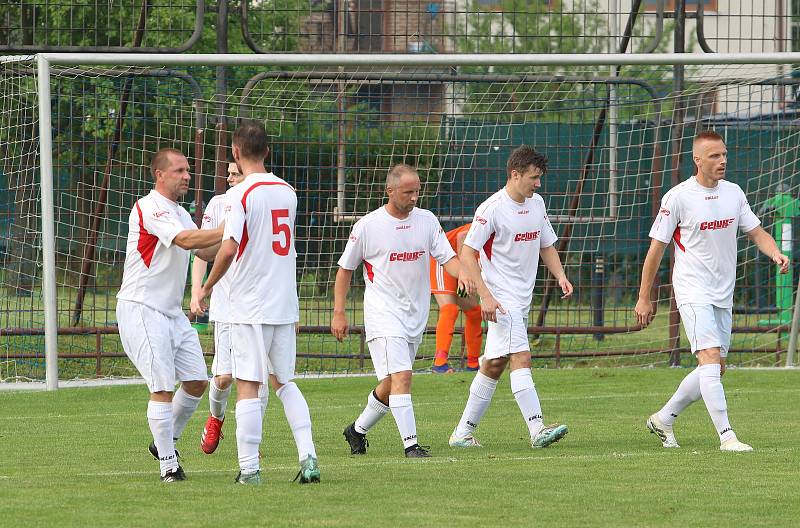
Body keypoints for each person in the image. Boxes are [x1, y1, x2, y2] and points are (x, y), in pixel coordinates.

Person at [635, 130, 790, 452]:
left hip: (723, 291)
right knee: (708, 359)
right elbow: (656, 250)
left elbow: (756, 231)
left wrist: (774, 252)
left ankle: (664, 418)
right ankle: (727, 436)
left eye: (724, 154)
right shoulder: (677, 197)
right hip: (692, 289)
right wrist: (643, 296)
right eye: (714, 156)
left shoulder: (733, 193)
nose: (723, 161)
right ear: (697, 160)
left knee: (716, 366)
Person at [193, 120, 320, 485]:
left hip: (249, 304)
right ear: (267, 151)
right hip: (282, 302)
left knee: (248, 384)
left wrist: (205, 287)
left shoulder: (239, 195)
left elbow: (231, 247)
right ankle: (308, 456)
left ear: (235, 153)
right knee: (284, 382)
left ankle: (249, 469)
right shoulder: (288, 192)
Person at [331, 164, 471, 458]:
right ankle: (411, 445)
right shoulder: (368, 226)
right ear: (390, 191)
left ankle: (356, 430)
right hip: (383, 313)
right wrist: (339, 312)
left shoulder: (427, 221)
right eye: (408, 192)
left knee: (391, 383)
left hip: (415, 315)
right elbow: (344, 271)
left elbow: (448, 258)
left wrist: (466, 276)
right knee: (403, 378)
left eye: (417, 191)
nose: (414, 197)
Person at [449, 145, 573, 450]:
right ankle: (537, 429)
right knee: (522, 357)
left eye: (540, 178)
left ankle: (462, 433)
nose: (538, 184)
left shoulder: (537, 204)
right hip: (502, 299)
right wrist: (486, 296)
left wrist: (560, 275)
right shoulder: (491, 209)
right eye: (533, 177)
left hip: (521, 297)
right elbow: (467, 252)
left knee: (493, 364)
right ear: (515, 174)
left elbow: (546, 245)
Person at [116, 148, 224, 482]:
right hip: (141, 307)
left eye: (188, 170)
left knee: (196, 381)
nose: (187, 176)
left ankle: (164, 442)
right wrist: (233, 225)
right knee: (162, 386)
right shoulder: (148, 207)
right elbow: (186, 240)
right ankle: (168, 464)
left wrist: (239, 237)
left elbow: (203, 249)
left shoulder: (179, 211)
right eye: (179, 170)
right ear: (159, 174)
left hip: (170, 312)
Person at [189, 161, 266, 454]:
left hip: (261, 306)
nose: (231, 178)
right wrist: (198, 289)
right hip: (227, 305)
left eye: (237, 173)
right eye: (229, 174)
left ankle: (251, 446)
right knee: (223, 377)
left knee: (258, 379)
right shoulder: (220, 204)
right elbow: (203, 251)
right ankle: (216, 418)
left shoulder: (265, 199)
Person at [430, 223, 482, 373]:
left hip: (462, 266)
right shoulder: (491, 216)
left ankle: (473, 365)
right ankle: (440, 364)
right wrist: (464, 274)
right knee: (450, 309)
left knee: (474, 313)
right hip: (442, 259)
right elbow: (462, 236)